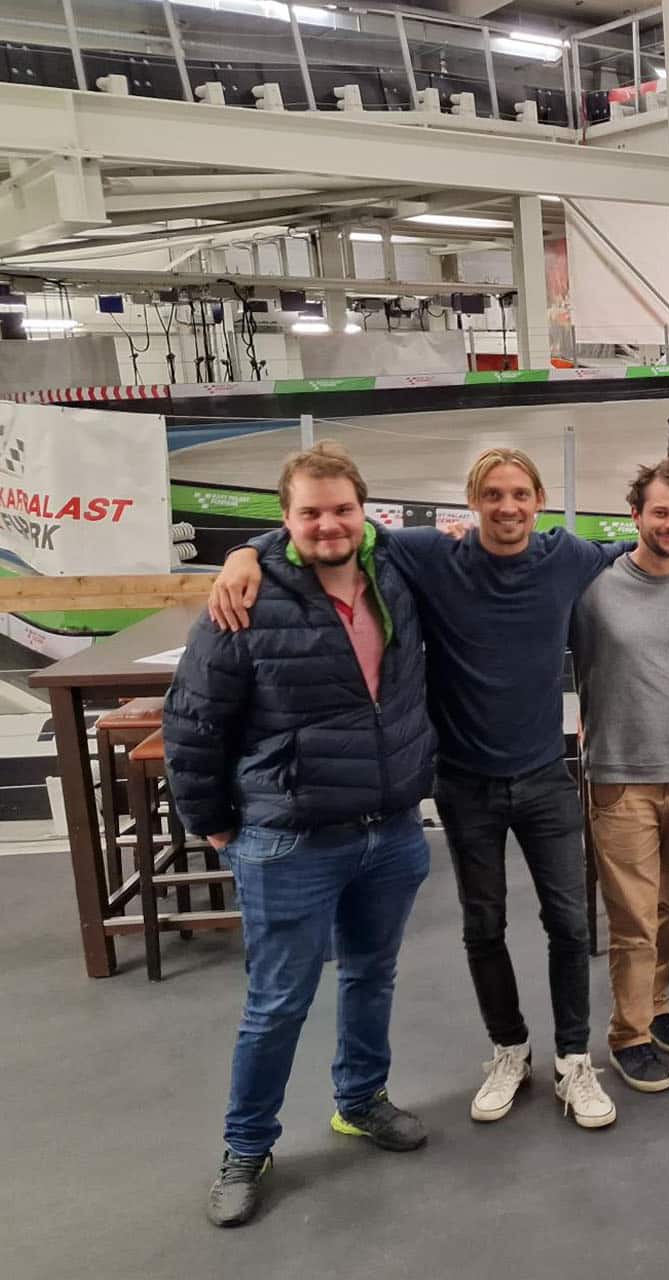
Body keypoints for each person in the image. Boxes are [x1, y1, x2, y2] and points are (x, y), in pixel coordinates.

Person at [208, 449, 669, 1131]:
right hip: (464, 784)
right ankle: (510, 1049)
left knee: (570, 927)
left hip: (547, 778)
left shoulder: (567, 558)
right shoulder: (432, 557)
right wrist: (248, 553)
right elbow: (336, 529)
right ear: (473, 503)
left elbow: (648, 539)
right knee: (483, 925)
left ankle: (573, 1059)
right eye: (493, 495)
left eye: (520, 494)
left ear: (539, 499)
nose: (508, 507)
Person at [167, 442, 436, 1227]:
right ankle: (247, 1147)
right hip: (291, 840)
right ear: (284, 521)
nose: (328, 525)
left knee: (371, 976)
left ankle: (361, 1100)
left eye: (341, 509)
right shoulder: (243, 603)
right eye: (310, 512)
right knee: (277, 1002)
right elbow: (193, 723)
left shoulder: (395, 575)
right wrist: (211, 823)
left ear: (365, 513)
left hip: (389, 828)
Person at [570, 458, 669, 1093]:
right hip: (620, 775)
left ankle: (655, 1009)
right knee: (632, 915)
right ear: (635, 515)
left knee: (663, 903)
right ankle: (628, 1035)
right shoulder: (593, 586)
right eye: (659, 512)